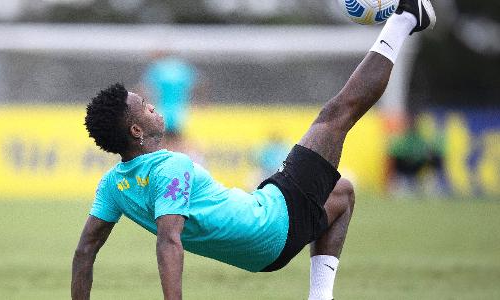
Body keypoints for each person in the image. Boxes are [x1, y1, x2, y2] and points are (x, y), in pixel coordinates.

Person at [71, 1, 436, 299]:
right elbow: (169, 239)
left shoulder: (112, 185)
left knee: (340, 193)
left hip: (263, 240)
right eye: (144, 106)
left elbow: (85, 250)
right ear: (136, 130)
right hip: (271, 225)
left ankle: (320, 297)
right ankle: (406, 16)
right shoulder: (171, 167)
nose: (152, 105)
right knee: (337, 114)